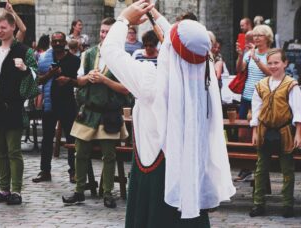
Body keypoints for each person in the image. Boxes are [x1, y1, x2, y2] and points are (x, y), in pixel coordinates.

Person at [101, 1, 235, 226]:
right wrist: (154, 13)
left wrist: (124, 18)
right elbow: (184, 47)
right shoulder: (205, 76)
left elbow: (110, 51)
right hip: (189, 175)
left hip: (155, 177)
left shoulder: (151, 81)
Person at [62, 17, 129, 208]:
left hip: (109, 113)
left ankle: (108, 193)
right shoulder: (89, 54)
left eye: (108, 32)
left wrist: (104, 80)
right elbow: (78, 81)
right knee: (80, 152)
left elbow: (126, 89)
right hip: (89, 111)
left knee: (109, 155)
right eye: (102, 31)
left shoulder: (122, 57)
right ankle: (79, 192)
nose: (104, 35)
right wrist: (87, 77)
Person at [0, 10, 38, 205]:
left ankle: (16, 191)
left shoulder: (24, 51)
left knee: (14, 151)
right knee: (0, 151)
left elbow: (35, 79)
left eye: (3, 27)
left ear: (13, 27)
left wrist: (25, 69)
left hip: (13, 108)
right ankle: (3, 189)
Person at [249, 48, 301, 218]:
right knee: (260, 169)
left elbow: (298, 111)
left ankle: (287, 205)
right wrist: (255, 131)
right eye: (270, 63)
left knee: (287, 170)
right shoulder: (261, 85)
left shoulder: (291, 85)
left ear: (285, 63)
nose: (273, 66)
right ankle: (258, 204)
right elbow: (256, 110)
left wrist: (298, 133)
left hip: (285, 131)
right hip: (264, 131)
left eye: (276, 62)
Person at [32, 32, 80, 184]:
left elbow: (78, 82)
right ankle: (45, 171)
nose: (58, 44)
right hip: (50, 105)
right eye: (55, 41)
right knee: (47, 139)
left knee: (71, 139)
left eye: (60, 41)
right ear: (51, 43)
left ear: (65, 42)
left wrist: (67, 79)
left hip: (67, 104)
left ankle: (73, 171)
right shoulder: (45, 59)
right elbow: (38, 81)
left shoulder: (74, 60)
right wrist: (50, 74)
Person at [234, 25, 273, 182]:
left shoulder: (272, 54)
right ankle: (246, 168)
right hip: (247, 96)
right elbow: (239, 69)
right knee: (242, 133)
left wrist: (257, 60)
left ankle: (260, 167)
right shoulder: (250, 53)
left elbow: (271, 73)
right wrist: (240, 55)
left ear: (267, 38)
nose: (256, 38)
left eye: (260, 35)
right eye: (255, 35)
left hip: (263, 98)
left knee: (260, 134)